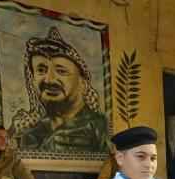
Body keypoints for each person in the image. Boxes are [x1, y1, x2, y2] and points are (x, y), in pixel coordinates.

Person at [11, 27, 109, 155]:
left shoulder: (98, 126)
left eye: (61, 71)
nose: (49, 80)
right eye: (41, 70)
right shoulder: (31, 133)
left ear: (83, 84)